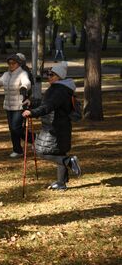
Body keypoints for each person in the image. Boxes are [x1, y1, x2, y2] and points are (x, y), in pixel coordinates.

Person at [22, 62, 81, 190]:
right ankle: (61, 183)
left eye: (52, 74)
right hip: (60, 126)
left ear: (59, 76)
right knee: (59, 152)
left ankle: (69, 162)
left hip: (54, 127)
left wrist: (32, 112)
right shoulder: (61, 88)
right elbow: (47, 103)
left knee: (41, 151)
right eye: (47, 74)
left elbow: (48, 106)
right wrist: (32, 102)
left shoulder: (58, 90)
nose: (48, 76)